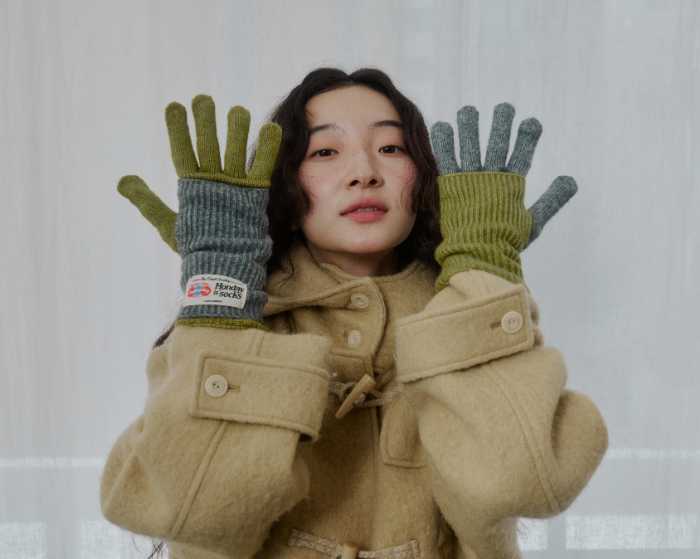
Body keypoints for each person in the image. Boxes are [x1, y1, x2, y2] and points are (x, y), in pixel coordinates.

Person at [102, 67, 609, 559]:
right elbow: (194, 515)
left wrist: (482, 275)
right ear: (283, 182)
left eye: (391, 148)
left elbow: (524, 483)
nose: (365, 172)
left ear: (425, 177)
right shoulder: (237, 321)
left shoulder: (464, 311)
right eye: (325, 151)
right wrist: (221, 294)